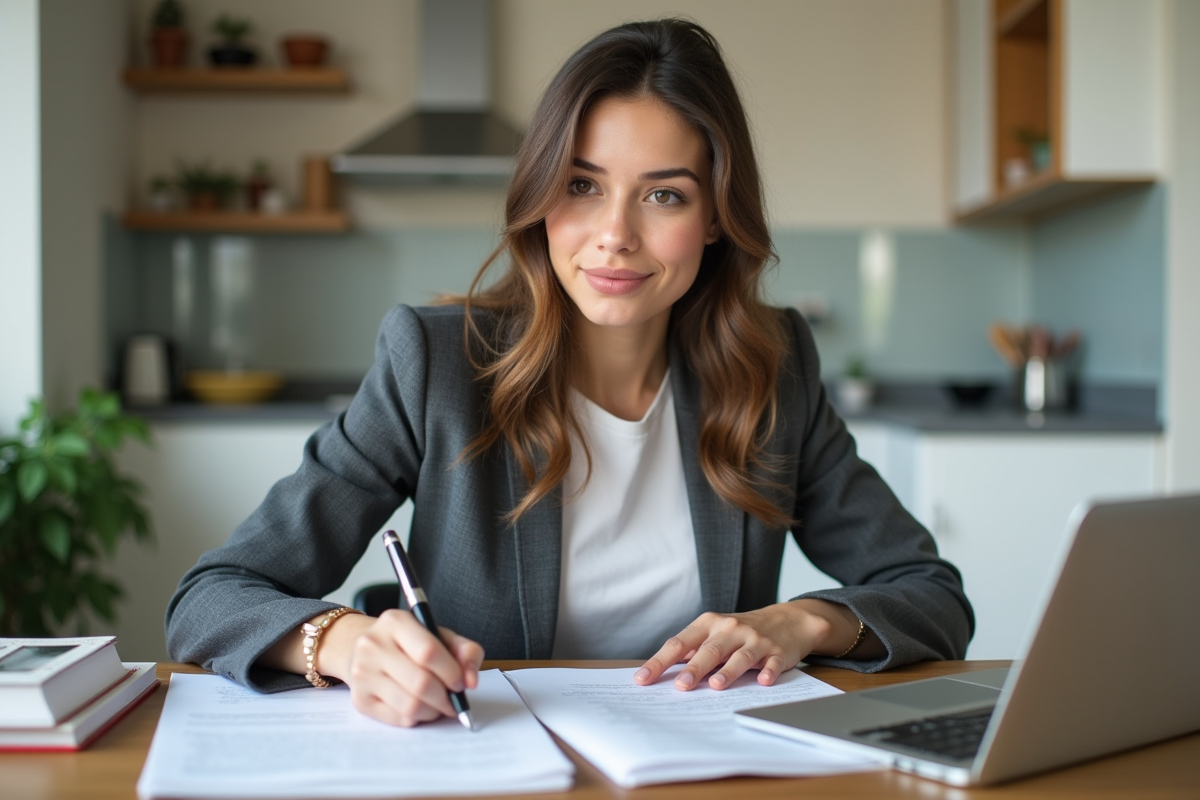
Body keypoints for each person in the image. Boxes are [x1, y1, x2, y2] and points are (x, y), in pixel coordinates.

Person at [166, 18, 972, 728]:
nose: (614, 235)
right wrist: (340, 643)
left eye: (663, 195)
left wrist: (804, 622)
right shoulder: (435, 363)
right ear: (541, 194)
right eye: (582, 186)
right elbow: (212, 596)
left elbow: (930, 594)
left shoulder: (774, 367)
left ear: (718, 216)